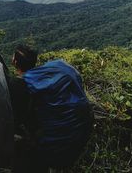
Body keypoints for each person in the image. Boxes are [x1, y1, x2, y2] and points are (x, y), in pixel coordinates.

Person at [9, 44, 93, 173]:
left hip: (42, 145)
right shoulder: (44, 77)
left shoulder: (19, 84)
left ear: (15, 62)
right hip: (68, 141)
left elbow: (15, 118)